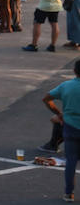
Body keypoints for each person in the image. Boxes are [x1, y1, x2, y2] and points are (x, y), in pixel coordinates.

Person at [43, 59, 80, 201]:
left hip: (70, 127)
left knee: (71, 160)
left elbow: (46, 98)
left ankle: (69, 193)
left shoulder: (67, 86)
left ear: (75, 71)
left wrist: (58, 113)